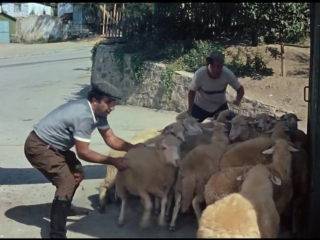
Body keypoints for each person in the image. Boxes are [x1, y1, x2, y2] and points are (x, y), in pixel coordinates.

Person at [24, 81, 144, 238]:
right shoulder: (84, 116)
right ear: (95, 100)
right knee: (65, 182)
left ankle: (64, 208)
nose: (112, 107)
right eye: (109, 102)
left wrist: (132, 147)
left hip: (55, 148)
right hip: (39, 147)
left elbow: (110, 138)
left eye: (114, 103)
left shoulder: (98, 113)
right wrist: (113, 161)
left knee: (76, 174)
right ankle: (57, 233)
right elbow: (84, 152)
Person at [187, 51, 245, 123]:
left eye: (219, 66)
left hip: (220, 106)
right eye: (212, 66)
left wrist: (237, 100)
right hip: (201, 106)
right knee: (192, 127)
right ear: (207, 66)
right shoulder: (200, 75)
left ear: (222, 66)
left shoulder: (227, 74)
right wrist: (190, 109)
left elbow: (240, 89)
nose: (216, 70)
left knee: (230, 126)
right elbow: (192, 91)